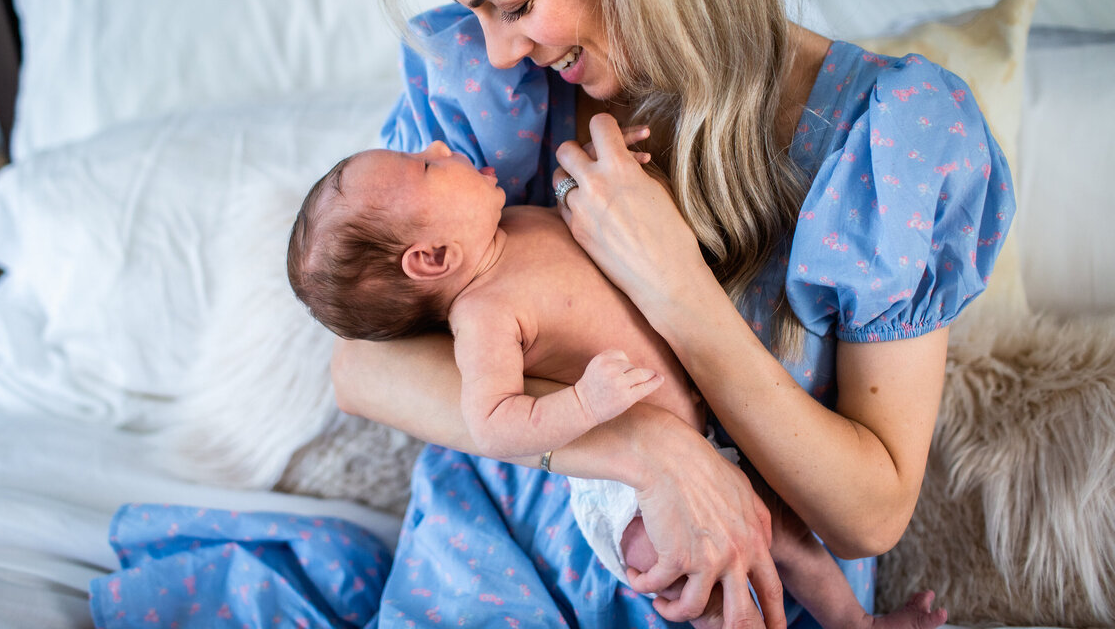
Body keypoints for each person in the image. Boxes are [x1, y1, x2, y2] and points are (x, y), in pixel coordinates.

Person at [331, 0, 1016, 626]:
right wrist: (653, 450)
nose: (500, 47)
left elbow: (869, 515)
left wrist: (679, 290)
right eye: (476, 13)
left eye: (515, 5)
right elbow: (361, 368)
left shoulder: (885, 140)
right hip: (486, 561)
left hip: (732, 589)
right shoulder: (485, 94)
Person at [289, 138, 948, 629]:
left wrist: (638, 178)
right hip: (620, 490)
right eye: (427, 167)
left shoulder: (520, 222)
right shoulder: (483, 316)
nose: (438, 145)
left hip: (708, 437)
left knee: (790, 537)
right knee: (709, 577)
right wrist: (585, 403)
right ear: (432, 258)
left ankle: (856, 625)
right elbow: (494, 422)